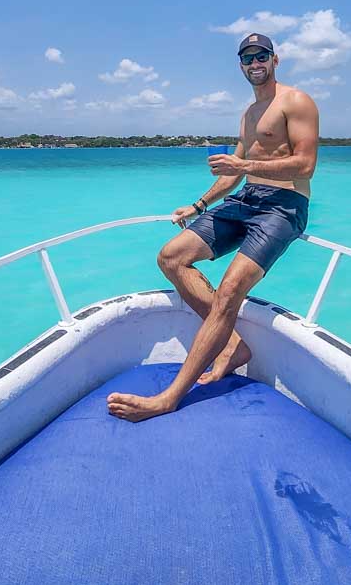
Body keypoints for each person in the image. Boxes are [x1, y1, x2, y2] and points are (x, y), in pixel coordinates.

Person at [107, 32, 319, 422]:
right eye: (247, 58)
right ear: (240, 65)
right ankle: (233, 345)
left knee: (229, 291)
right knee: (171, 257)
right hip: (247, 199)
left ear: (275, 59)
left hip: (283, 206)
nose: (255, 63)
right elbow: (234, 173)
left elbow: (305, 166)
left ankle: (169, 397)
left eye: (261, 56)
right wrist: (199, 204)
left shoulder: (296, 101)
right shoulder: (249, 114)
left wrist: (244, 166)